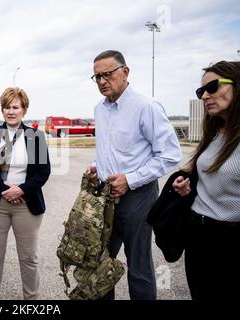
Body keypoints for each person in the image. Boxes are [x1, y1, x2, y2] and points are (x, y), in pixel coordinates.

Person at [86, 50, 181, 300]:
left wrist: (131, 179)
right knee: (100, 262)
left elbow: (169, 154)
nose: (102, 81)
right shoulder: (99, 109)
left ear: (125, 72)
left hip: (138, 197)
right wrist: (98, 165)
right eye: (97, 77)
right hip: (105, 197)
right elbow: (111, 149)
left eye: (107, 74)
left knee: (138, 266)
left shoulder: (146, 106)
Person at [172, 60, 240, 300]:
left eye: (212, 87)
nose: (204, 96)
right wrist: (186, 187)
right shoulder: (214, 132)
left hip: (230, 241)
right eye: (201, 91)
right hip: (198, 237)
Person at [0, 87, 51, 300]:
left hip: (26, 204)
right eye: (6, 107)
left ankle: (32, 300)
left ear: (24, 110)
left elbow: (44, 172)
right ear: (2, 110)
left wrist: (21, 189)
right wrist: (5, 190)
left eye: (15, 107)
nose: (11, 111)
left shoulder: (35, 136)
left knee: (29, 257)